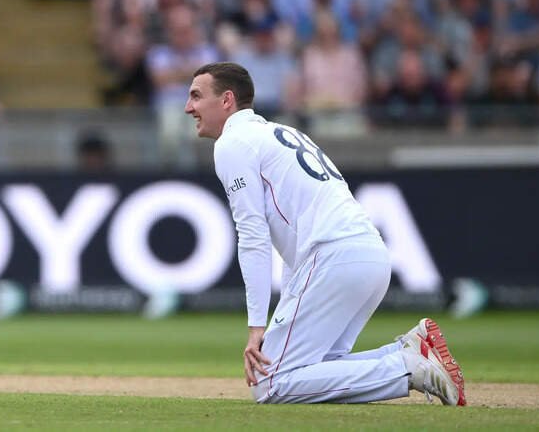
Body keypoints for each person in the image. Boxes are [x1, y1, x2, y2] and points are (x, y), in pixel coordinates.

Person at [183, 61, 466, 405]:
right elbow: (293, 238)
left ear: (227, 100)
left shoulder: (233, 142)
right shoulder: (280, 133)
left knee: (270, 384)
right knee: (318, 367)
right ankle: (409, 351)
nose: (188, 107)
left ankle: (410, 368)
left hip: (333, 258)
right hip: (369, 255)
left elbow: (253, 236)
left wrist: (257, 327)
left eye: (196, 96)